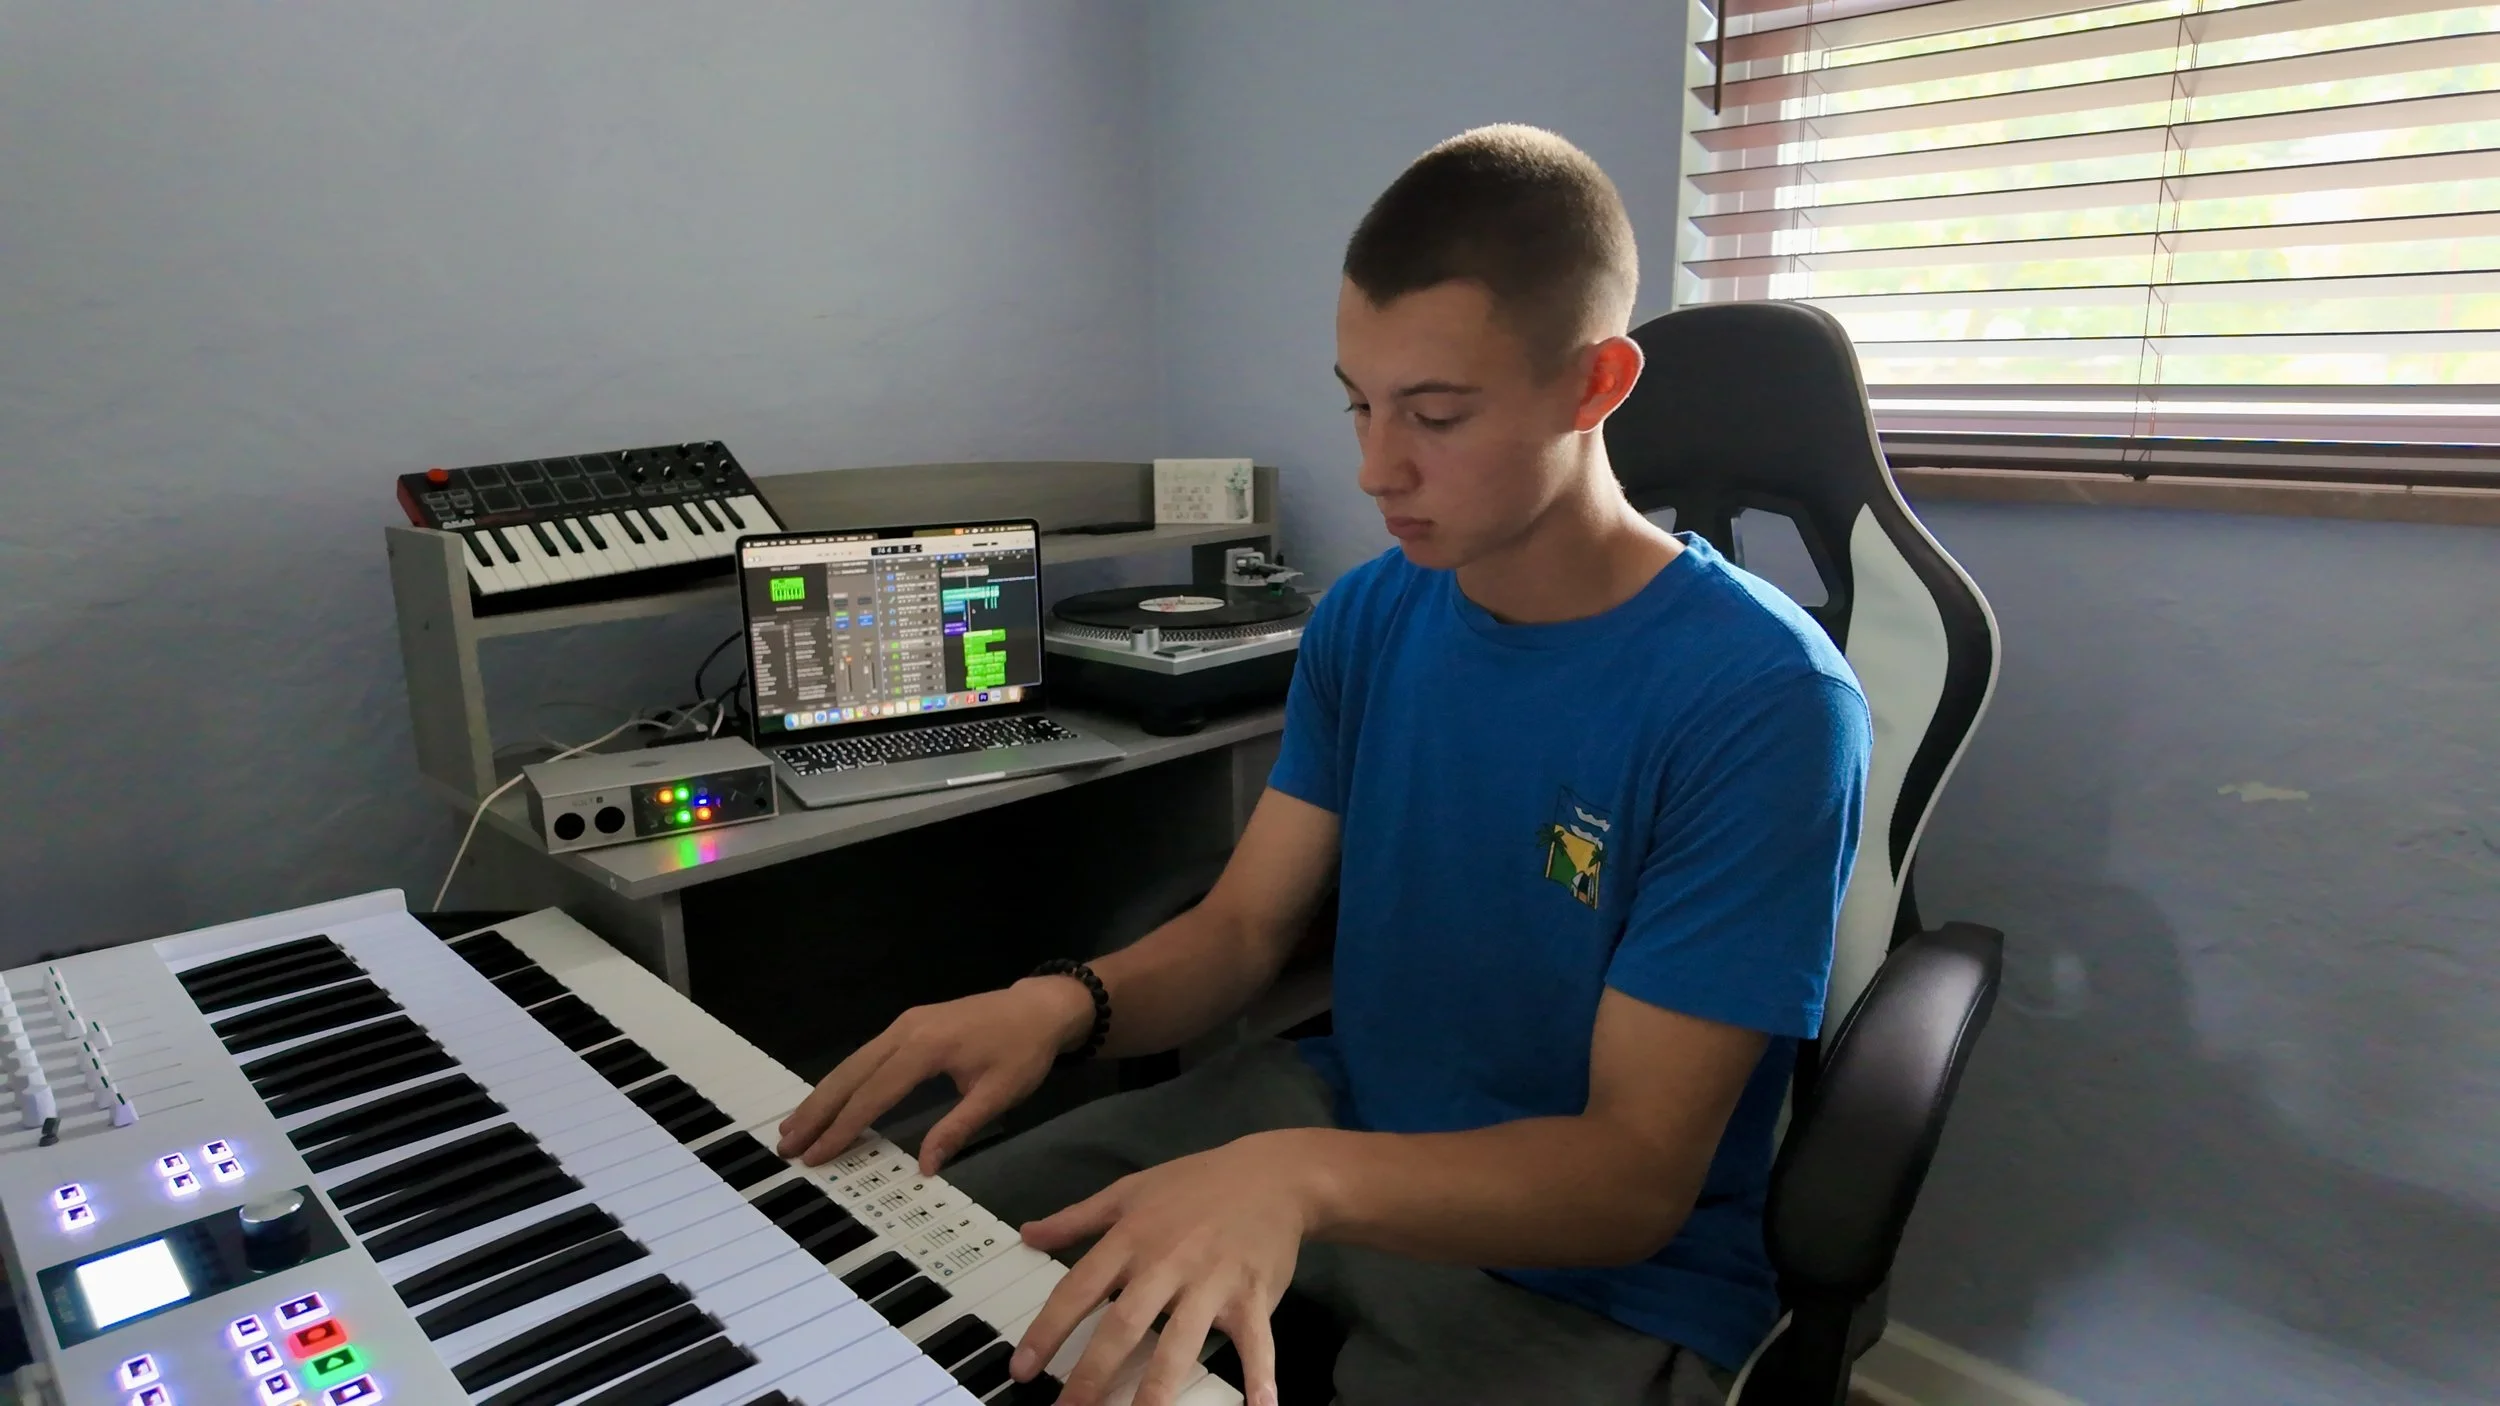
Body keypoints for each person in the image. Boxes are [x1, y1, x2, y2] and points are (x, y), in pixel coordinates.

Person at [777, 124, 1872, 1406]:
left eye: (1436, 414)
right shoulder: (1372, 613)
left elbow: (1629, 1177)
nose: (1373, 469)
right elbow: (1241, 931)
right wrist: (1059, 1003)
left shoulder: (1762, 701)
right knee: (884, 1274)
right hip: (1331, 1114)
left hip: (1586, 1272)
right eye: (1359, 402)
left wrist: (1300, 1178)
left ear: (1594, 385)